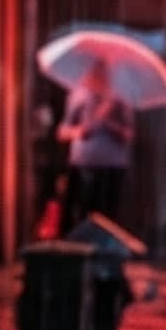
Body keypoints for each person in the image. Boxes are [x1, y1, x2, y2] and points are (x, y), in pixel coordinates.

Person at [59, 62, 136, 229]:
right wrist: (80, 131)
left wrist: (109, 123)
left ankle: (104, 248)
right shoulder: (78, 95)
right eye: (96, 72)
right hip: (83, 162)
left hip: (112, 165)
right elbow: (63, 131)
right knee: (82, 208)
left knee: (109, 212)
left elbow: (129, 134)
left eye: (104, 73)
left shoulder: (120, 99)